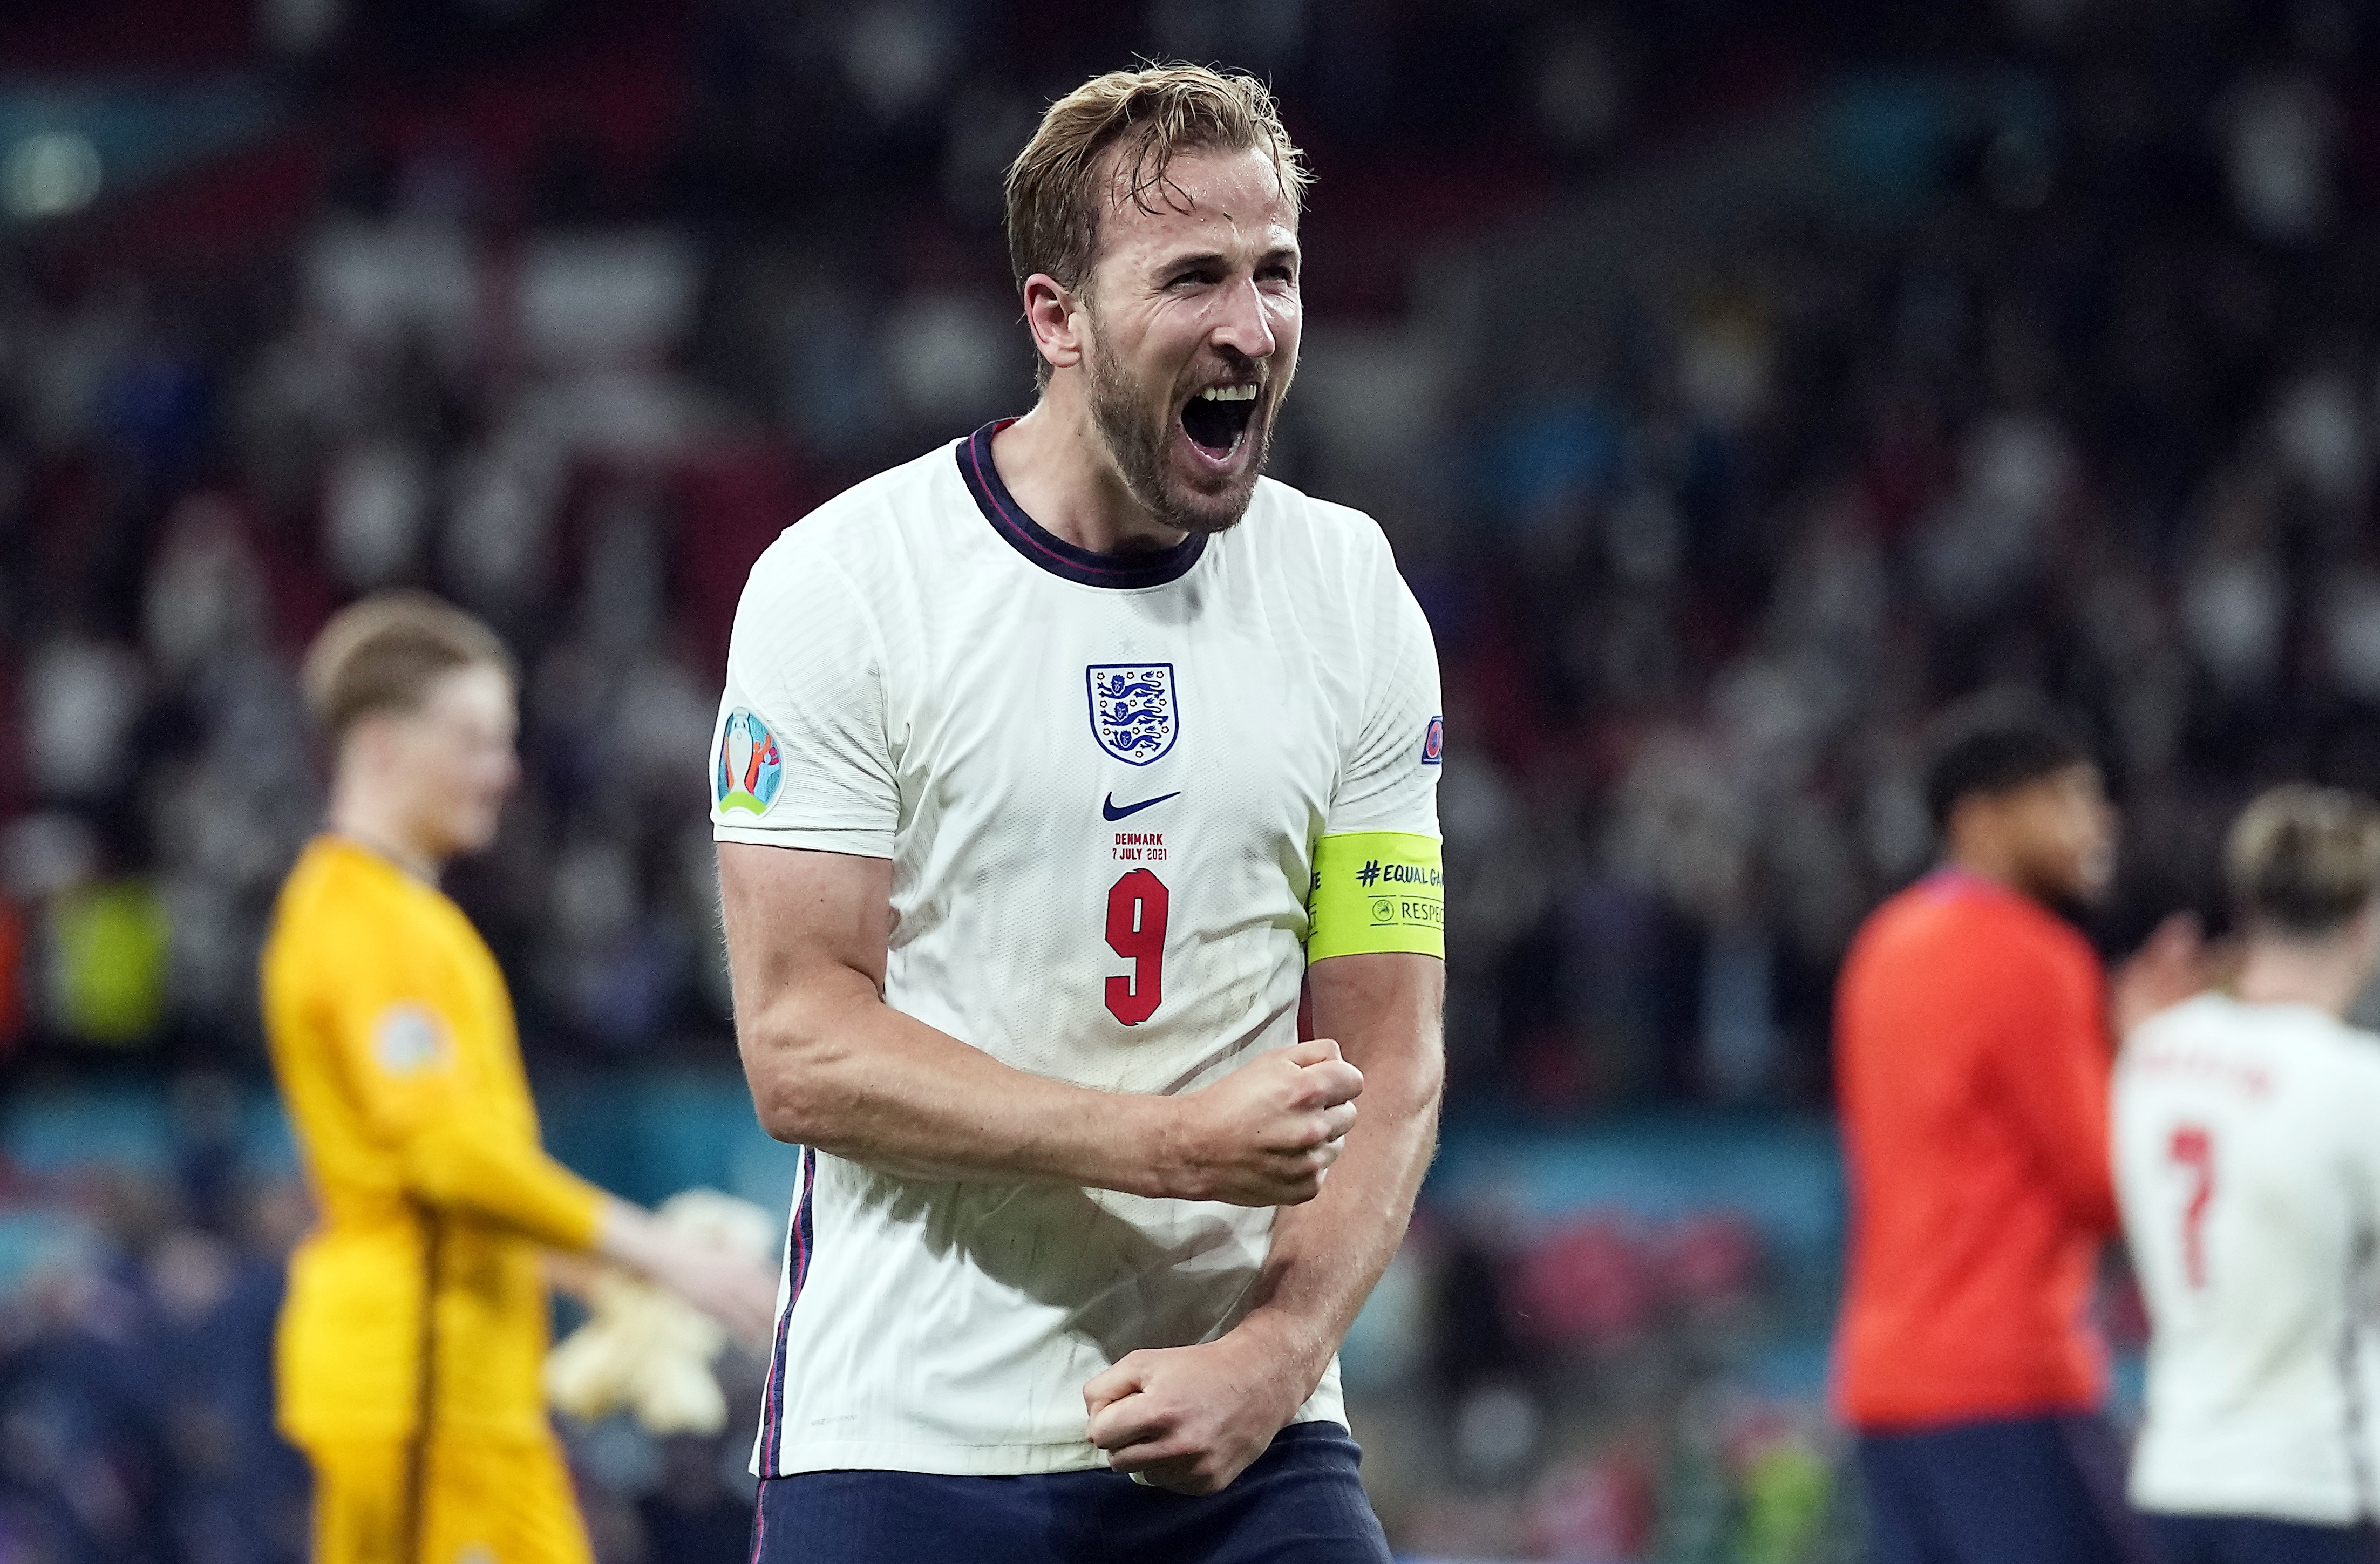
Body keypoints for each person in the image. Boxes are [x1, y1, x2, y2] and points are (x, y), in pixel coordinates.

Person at [711, 64, 1444, 1563]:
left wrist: (1275, 1355)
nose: (1253, 327)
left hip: (1245, 1441)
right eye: (1194, 278)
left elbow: (1390, 1044)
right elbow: (799, 1047)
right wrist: (1163, 1144)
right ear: (1056, 318)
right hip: (908, 1440)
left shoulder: (1352, 592)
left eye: (1278, 274)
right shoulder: (845, 586)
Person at [262, 593, 777, 1564]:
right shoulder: (368, 922)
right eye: (473, 741)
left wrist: (597, 1270)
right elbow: (447, 1157)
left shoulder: (404, 917)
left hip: (464, 1384)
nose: (501, 773)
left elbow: (453, 1176)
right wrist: (665, 1256)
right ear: (379, 744)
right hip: (420, 1379)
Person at [1833, 695, 2189, 1564]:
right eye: (2066, 798)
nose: (2096, 822)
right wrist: (2148, 1056)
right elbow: (2106, 1184)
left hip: (1885, 1385)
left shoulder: (1882, 944)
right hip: (2005, 1380)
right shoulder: (2032, 956)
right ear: (1980, 818)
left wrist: (2102, 1037)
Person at [2116, 785, 2380, 1564]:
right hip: (2313, 1485)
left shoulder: (2150, 1053)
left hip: (2173, 1475)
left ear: (2248, 905)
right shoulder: (2354, 1082)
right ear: (2366, 920)